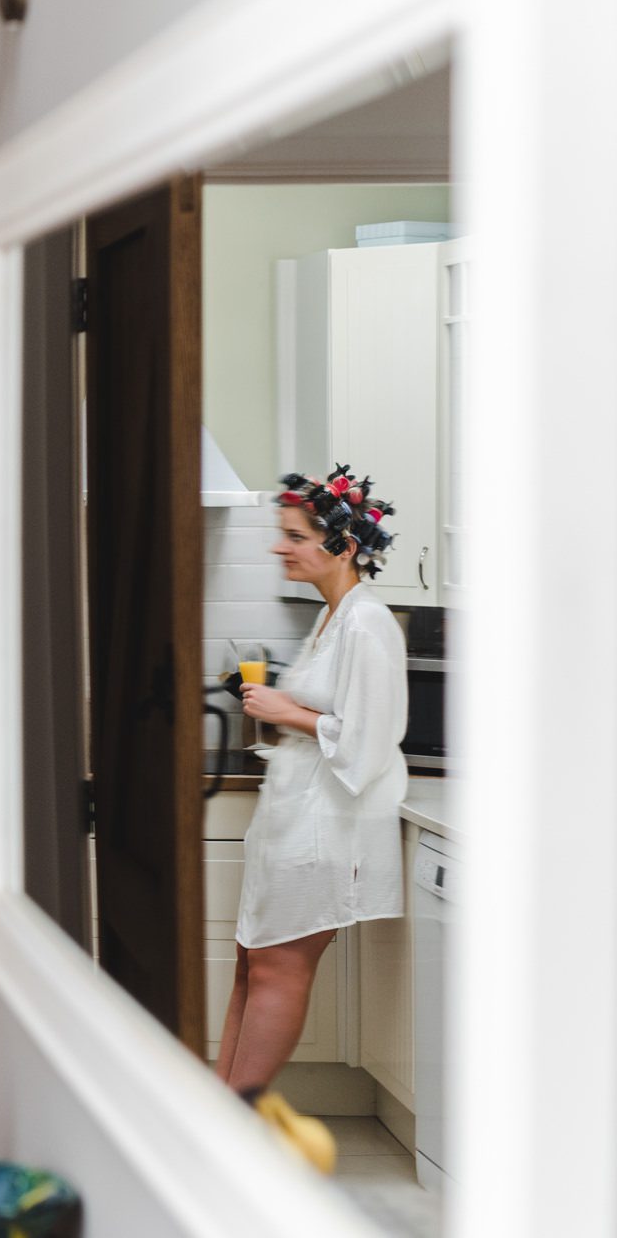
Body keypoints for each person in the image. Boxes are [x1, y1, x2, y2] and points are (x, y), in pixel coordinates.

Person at [217, 466, 407, 1095]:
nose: (280, 547)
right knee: (252, 962)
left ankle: (233, 1119)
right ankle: (216, 1109)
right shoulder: (333, 617)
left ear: (344, 547)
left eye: (294, 536)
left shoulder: (367, 622)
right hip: (297, 819)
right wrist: (288, 713)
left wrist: (285, 712)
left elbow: (368, 741)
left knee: (277, 970)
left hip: (329, 829)